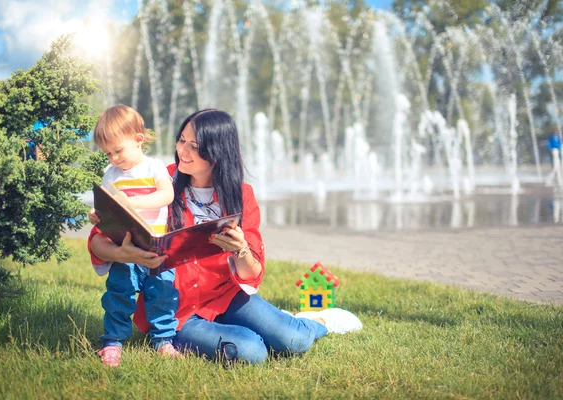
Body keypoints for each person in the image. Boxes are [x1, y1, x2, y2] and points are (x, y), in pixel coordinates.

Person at [88, 109, 362, 365]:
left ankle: (319, 321)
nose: (181, 150)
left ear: (216, 152)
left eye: (193, 146)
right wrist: (122, 254)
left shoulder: (241, 196)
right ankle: (176, 337)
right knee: (251, 352)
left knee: (294, 340)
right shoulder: (161, 182)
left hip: (224, 295)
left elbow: (252, 272)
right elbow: (98, 240)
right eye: (181, 140)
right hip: (175, 309)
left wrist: (240, 249)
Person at [90, 104, 180, 367]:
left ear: (138, 140)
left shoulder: (153, 167)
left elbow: (167, 195)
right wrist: (97, 216)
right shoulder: (111, 175)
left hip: (155, 247)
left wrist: (134, 203)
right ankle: (112, 342)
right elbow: (105, 205)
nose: (114, 158)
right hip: (126, 248)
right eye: (108, 153)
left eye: (118, 150)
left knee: (162, 293)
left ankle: (163, 340)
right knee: (119, 293)